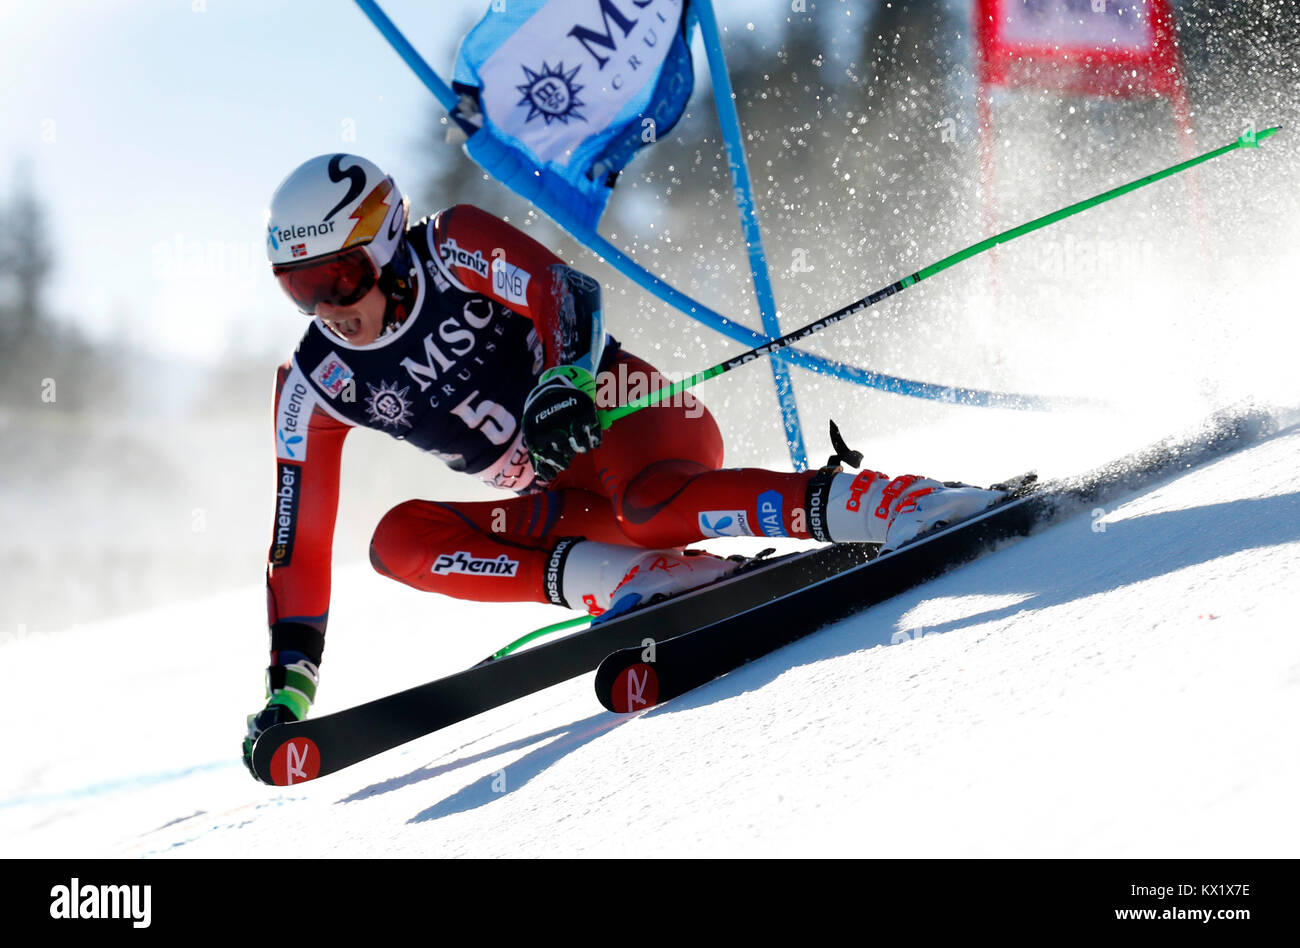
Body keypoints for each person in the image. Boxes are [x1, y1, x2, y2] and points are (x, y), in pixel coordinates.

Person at [243, 153, 1003, 769]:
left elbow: (562, 289)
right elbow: (297, 545)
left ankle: (889, 501)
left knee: (646, 503)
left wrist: (565, 378)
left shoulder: (451, 246)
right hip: (563, 496)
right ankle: (637, 581)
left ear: (383, 245)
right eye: (299, 288)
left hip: (628, 417)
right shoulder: (314, 384)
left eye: (337, 278)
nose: (326, 307)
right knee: (397, 541)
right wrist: (290, 689)